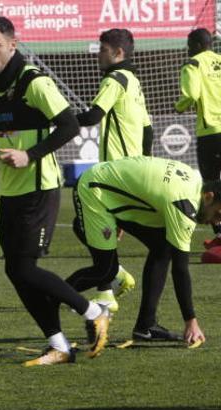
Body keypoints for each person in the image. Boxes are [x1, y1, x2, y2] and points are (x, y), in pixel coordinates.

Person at [0, 16, 110, 366]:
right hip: (9, 192)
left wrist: (30, 154)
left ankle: (92, 311)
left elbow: (70, 124)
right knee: (16, 271)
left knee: (25, 269)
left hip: (40, 188)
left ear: (13, 44)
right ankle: (59, 345)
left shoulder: (33, 82)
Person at [67, 156, 213, 345]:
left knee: (162, 248)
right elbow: (180, 269)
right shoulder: (184, 206)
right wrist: (190, 321)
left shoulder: (194, 179)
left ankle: (146, 326)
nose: (216, 222)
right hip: (94, 190)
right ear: (208, 196)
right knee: (105, 270)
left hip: (110, 188)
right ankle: (49, 295)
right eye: (218, 213)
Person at [76, 28, 152, 313]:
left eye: (103, 49)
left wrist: (59, 120)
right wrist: (145, 163)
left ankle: (110, 284)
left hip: (115, 174)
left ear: (118, 53)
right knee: (99, 227)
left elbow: (94, 115)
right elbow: (147, 129)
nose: (98, 54)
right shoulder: (134, 81)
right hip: (133, 171)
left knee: (85, 225)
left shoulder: (115, 78)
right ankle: (113, 279)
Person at [176, 28, 221, 250]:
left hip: (211, 132)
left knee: (211, 187)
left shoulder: (193, 64)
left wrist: (179, 106)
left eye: (189, 45)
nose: (187, 49)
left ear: (196, 45)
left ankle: (220, 236)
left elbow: (191, 95)